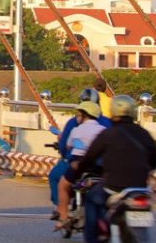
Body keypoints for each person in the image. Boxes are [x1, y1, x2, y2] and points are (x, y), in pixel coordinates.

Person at [75, 95, 156, 243]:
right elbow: (154, 159)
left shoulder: (108, 134)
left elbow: (89, 158)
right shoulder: (144, 134)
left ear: (113, 112)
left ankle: (92, 239)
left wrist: (77, 172)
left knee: (91, 199)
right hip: (140, 189)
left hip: (114, 187)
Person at [49, 88, 112, 219]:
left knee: (55, 176)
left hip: (77, 163)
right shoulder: (107, 123)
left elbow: (64, 147)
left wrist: (67, 153)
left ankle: (61, 210)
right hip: (103, 165)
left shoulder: (74, 123)